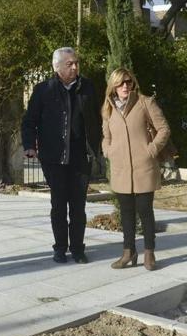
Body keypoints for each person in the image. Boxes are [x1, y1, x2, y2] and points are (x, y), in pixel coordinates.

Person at [21, 47, 101, 264]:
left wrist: (101, 145)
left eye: (76, 63)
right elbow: (29, 121)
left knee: (78, 206)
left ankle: (77, 248)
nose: (75, 67)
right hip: (53, 157)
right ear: (57, 67)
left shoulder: (88, 88)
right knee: (58, 204)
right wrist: (29, 145)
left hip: (80, 156)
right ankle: (60, 248)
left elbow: (100, 117)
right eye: (70, 64)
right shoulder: (43, 90)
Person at [101, 68, 171, 271]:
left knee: (145, 212)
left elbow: (164, 129)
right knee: (126, 213)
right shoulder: (108, 108)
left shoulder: (145, 103)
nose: (125, 86)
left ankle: (149, 252)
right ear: (113, 85)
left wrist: (151, 150)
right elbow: (106, 136)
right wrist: (108, 150)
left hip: (144, 167)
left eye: (129, 82)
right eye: (121, 83)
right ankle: (128, 252)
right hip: (121, 168)